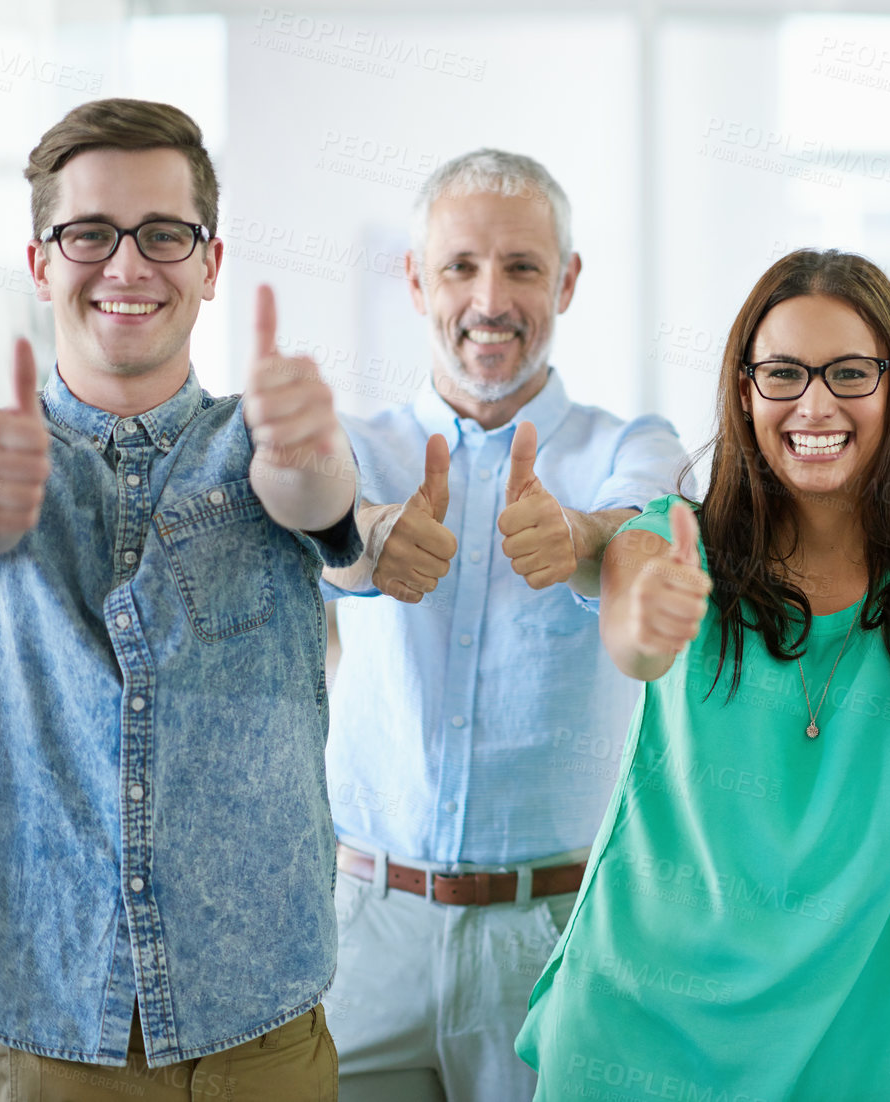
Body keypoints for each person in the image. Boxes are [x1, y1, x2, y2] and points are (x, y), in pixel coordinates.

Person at [0, 99, 359, 1098]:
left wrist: (309, 461)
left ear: (211, 264)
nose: (128, 266)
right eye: (90, 234)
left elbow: (313, 494)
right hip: (45, 1034)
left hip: (262, 1033)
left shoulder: (266, 441)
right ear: (41, 261)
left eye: (164, 235)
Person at [514, 249, 890, 1098]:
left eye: (850, 373)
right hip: (641, 1036)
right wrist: (649, 619)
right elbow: (633, 635)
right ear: (745, 388)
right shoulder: (671, 538)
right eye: (784, 373)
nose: (816, 403)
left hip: (862, 1041)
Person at [317, 149, 689, 1102]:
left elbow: (636, 528)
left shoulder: (630, 443)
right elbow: (328, 536)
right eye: (460, 266)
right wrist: (369, 537)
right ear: (414, 280)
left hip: (558, 935)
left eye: (523, 266)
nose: (491, 298)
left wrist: (579, 537)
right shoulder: (353, 450)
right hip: (364, 930)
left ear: (566, 279)